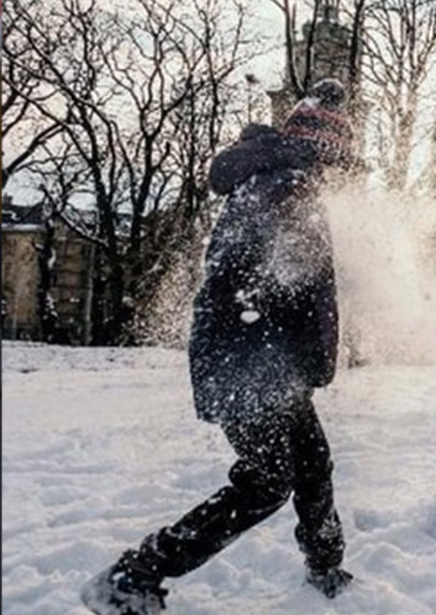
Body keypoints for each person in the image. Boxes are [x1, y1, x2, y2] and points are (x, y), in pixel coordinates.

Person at [81, 80, 360, 615]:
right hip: (249, 365)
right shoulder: (287, 190)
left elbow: (294, 287)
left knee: (314, 463)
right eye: (338, 162)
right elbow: (260, 286)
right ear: (324, 153)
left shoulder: (278, 180)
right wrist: (295, 348)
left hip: (269, 363)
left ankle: (325, 566)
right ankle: (132, 576)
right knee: (267, 482)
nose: (340, 176)